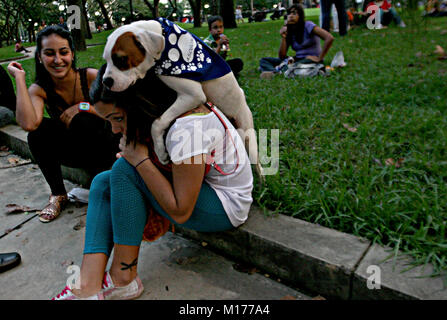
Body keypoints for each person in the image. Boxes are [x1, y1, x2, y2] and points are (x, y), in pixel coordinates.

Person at [51, 64, 253, 300]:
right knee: (103, 183)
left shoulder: (187, 127)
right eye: (109, 121)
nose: (115, 129)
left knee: (125, 170)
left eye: (117, 118)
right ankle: (89, 281)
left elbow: (180, 212)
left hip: (225, 205)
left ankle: (122, 278)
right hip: (201, 188)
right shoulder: (164, 114)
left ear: (140, 104)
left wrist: (140, 161)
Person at [7, 26, 119, 223]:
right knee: (38, 134)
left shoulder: (91, 76)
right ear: (40, 57)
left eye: (63, 52)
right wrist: (20, 79)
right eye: (49, 54)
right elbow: (29, 124)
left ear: (72, 54)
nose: (58, 60)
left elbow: (119, 115)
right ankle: (58, 194)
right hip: (75, 152)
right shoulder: (40, 89)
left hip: (107, 148)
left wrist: (83, 106)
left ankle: (103, 186)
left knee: (82, 119)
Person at [259, 4, 334, 79]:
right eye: (289, 13)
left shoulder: (308, 25)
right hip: (297, 59)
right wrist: (284, 37)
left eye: (294, 13)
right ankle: (275, 71)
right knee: (264, 60)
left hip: (311, 59)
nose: (291, 16)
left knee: (292, 66)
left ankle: (278, 70)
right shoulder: (290, 31)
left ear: (300, 16)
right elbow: (282, 56)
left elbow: (329, 38)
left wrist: (319, 58)